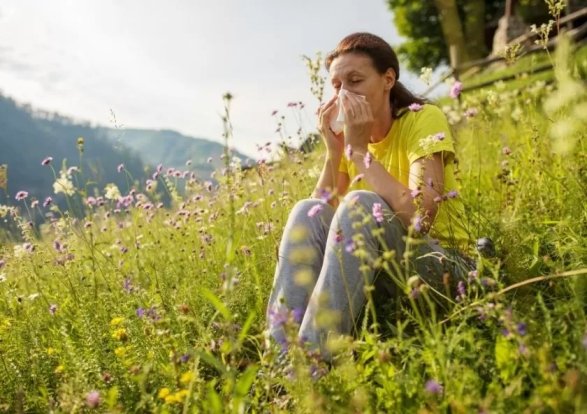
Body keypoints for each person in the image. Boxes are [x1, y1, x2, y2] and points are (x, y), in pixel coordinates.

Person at [266, 32, 472, 358]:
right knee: (306, 209)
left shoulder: (423, 118)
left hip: (445, 270)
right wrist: (335, 152)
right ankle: (280, 361)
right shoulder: (352, 140)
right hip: (386, 273)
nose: (343, 94)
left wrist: (359, 152)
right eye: (336, 86)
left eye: (355, 81)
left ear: (388, 79)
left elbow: (420, 218)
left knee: (359, 204)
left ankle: (311, 363)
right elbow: (316, 220)